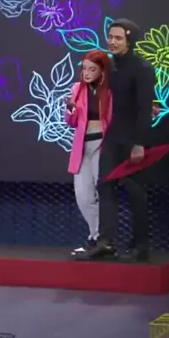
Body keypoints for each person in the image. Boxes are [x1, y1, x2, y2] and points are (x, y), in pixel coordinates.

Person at [75, 18, 156, 262]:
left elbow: (144, 108)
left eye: (118, 38)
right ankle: (106, 243)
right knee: (105, 188)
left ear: (130, 40)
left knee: (135, 192)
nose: (112, 41)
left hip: (132, 140)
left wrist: (139, 143)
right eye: (110, 37)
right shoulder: (109, 67)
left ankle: (141, 246)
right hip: (111, 138)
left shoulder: (142, 68)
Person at [65, 50, 112, 255]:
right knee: (83, 196)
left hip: (103, 144)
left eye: (92, 69)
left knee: (102, 193)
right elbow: (71, 122)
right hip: (82, 147)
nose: (86, 73)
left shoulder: (109, 91)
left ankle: (101, 240)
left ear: (102, 71)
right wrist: (70, 109)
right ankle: (95, 236)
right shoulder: (77, 89)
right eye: (84, 68)